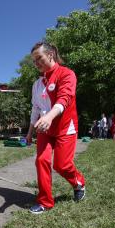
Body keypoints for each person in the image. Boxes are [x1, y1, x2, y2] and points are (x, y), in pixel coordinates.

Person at [25, 41, 86, 214]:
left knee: (62, 165)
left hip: (65, 127)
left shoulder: (66, 74)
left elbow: (64, 98)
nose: (36, 63)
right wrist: (30, 133)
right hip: (45, 129)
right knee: (41, 161)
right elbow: (36, 108)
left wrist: (50, 116)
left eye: (39, 58)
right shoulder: (36, 84)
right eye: (34, 61)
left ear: (50, 54)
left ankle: (78, 182)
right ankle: (45, 201)